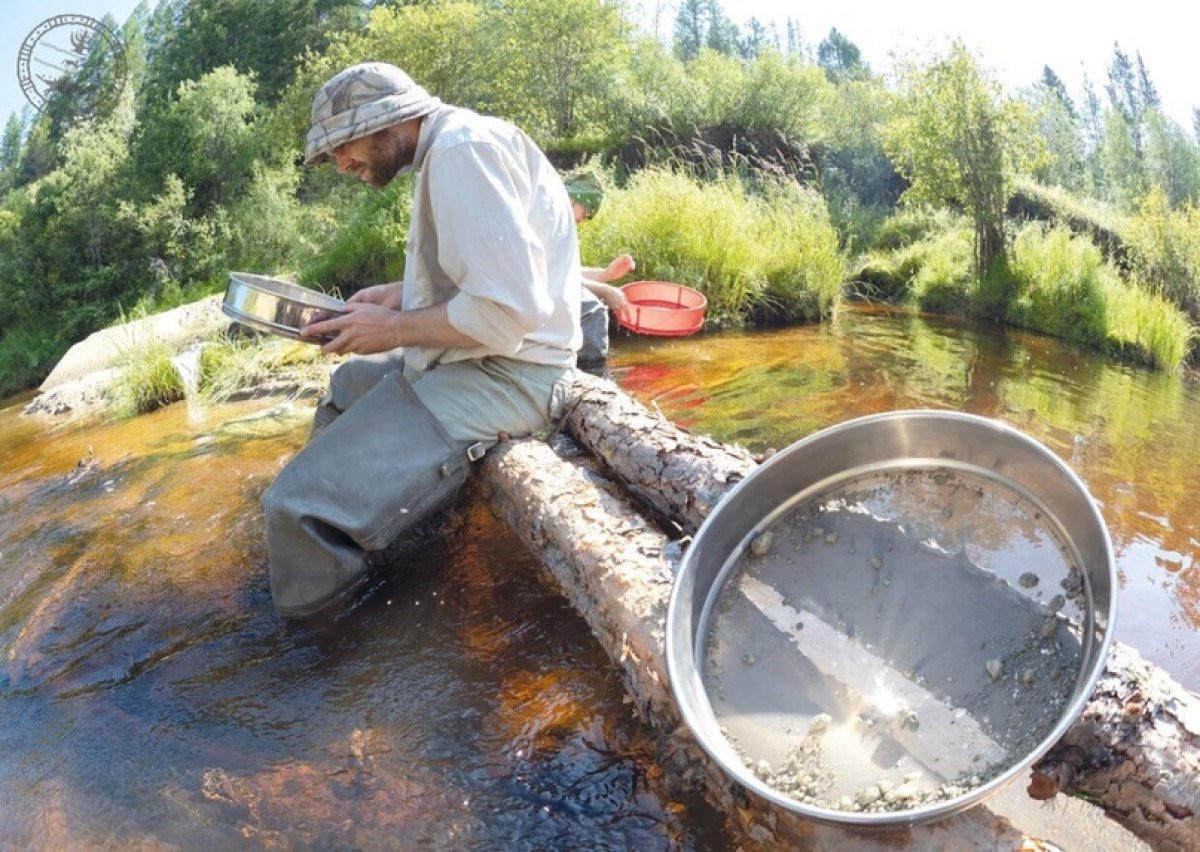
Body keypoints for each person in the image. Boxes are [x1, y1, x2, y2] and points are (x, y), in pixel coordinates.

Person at [261, 62, 581, 616]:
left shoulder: (460, 151)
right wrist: (395, 295)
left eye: (342, 144)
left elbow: (510, 309)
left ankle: (321, 642)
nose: (339, 164)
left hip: (515, 376)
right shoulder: (451, 148)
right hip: (486, 358)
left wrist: (391, 329)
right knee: (345, 386)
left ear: (388, 120)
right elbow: (483, 279)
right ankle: (389, 533)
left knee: (293, 507)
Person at [563, 171, 635, 369]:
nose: (583, 220)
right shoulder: (546, 220)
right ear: (571, 200)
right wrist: (605, 290)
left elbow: (566, 270)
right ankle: (593, 377)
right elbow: (555, 276)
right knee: (594, 311)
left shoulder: (560, 223)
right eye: (585, 212)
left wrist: (606, 274)